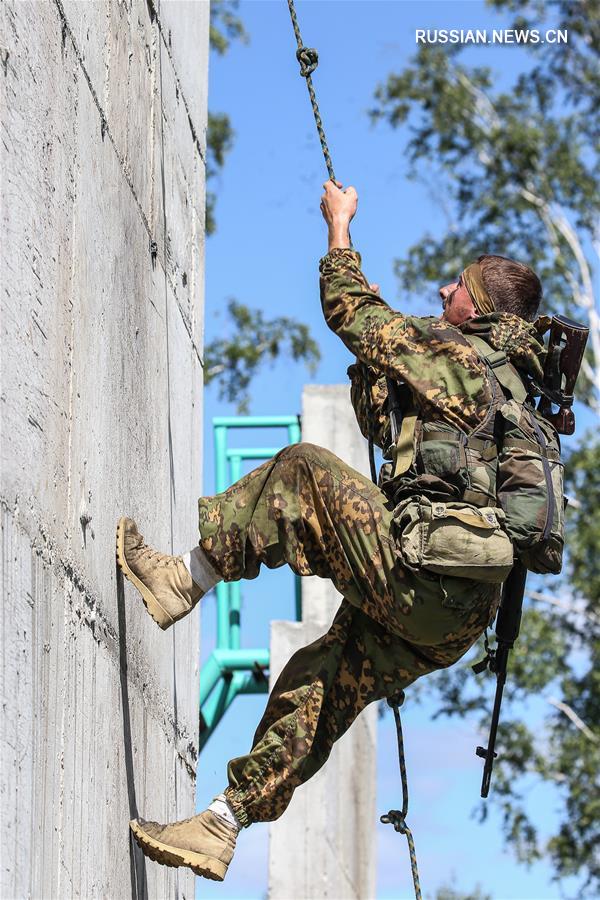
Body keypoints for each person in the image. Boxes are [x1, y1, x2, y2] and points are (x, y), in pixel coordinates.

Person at [116, 180, 545, 881]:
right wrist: (377, 360)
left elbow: (350, 311)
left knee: (301, 472)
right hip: (455, 618)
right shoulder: (510, 393)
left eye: (457, 287)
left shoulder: (463, 355)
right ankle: (222, 824)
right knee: (321, 681)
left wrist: (339, 228)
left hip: (421, 569)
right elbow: (390, 428)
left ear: (482, 309)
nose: (443, 292)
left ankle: (179, 581)